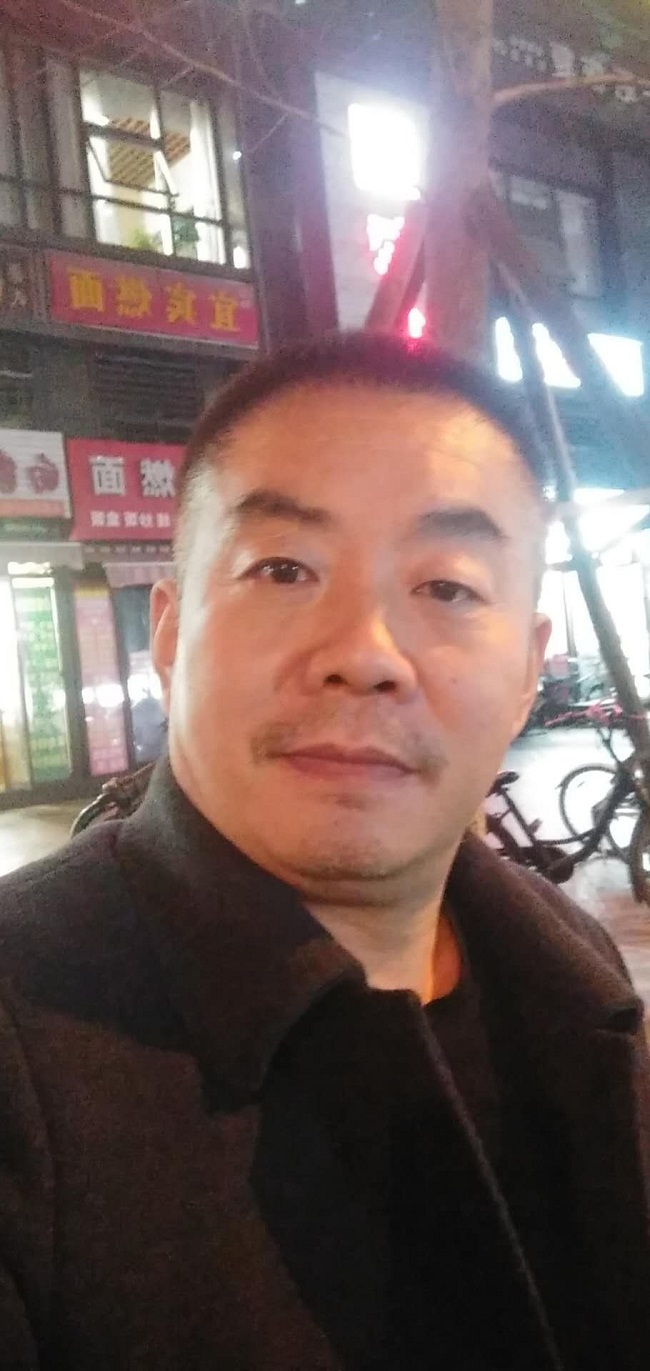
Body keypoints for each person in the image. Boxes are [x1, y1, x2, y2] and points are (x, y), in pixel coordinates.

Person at [0, 332, 648, 1371]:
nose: (363, 653)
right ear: (170, 634)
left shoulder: (570, 970)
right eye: (283, 568)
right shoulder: (26, 1048)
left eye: (447, 588)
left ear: (530, 668)